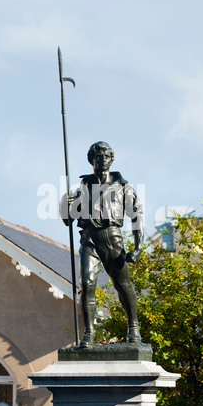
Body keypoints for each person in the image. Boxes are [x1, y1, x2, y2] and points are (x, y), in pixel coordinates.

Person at [60, 141, 144, 348]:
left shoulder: (123, 187)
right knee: (87, 284)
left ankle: (133, 326)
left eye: (106, 157)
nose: (103, 160)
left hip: (112, 237)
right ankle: (88, 332)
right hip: (89, 240)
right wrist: (65, 201)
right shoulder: (82, 189)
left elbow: (137, 217)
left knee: (122, 284)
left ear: (111, 160)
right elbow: (68, 219)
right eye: (98, 157)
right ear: (92, 160)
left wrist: (138, 246)